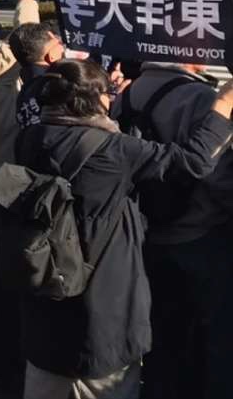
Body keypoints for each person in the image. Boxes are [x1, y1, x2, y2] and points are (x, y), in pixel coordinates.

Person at [5, 60, 233, 399]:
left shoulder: (30, 138)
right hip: (102, 308)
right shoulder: (112, 151)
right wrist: (223, 106)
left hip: (46, 305)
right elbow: (193, 161)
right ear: (96, 100)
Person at [113, 61, 233, 399]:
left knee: (161, 337)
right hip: (199, 234)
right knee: (215, 338)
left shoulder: (127, 93)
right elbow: (218, 176)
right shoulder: (199, 97)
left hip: (145, 233)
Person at [8, 21, 66, 129]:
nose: (63, 48)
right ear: (51, 55)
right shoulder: (61, 89)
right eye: (59, 44)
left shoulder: (25, 91)